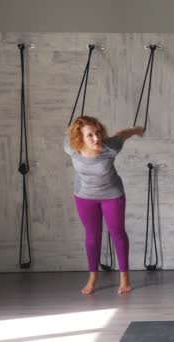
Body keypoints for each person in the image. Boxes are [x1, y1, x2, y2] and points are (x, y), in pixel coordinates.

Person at [63, 116, 144, 294]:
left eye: (98, 132)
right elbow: (68, 134)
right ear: (79, 138)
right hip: (84, 196)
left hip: (112, 195)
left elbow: (122, 134)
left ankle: (124, 277)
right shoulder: (70, 147)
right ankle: (93, 277)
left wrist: (136, 130)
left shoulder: (110, 147)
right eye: (90, 135)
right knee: (92, 236)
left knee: (117, 233)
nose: (96, 138)